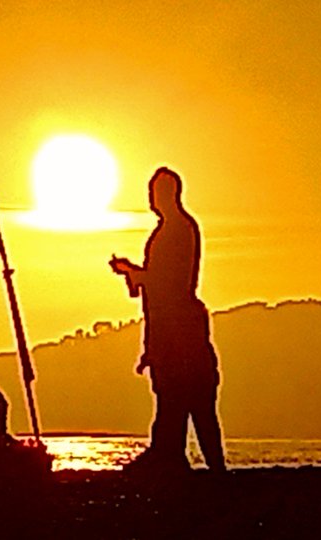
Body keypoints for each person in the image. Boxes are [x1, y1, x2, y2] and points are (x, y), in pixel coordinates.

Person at [110, 166, 225, 473]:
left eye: (155, 193)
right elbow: (154, 284)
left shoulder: (180, 230)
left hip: (181, 329)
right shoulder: (167, 231)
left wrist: (136, 274)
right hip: (165, 328)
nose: (151, 199)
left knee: (193, 402)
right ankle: (174, 459)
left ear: (168, 193)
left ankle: (212, 468)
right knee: (172, 402)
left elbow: (172, 283)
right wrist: (133, 274)